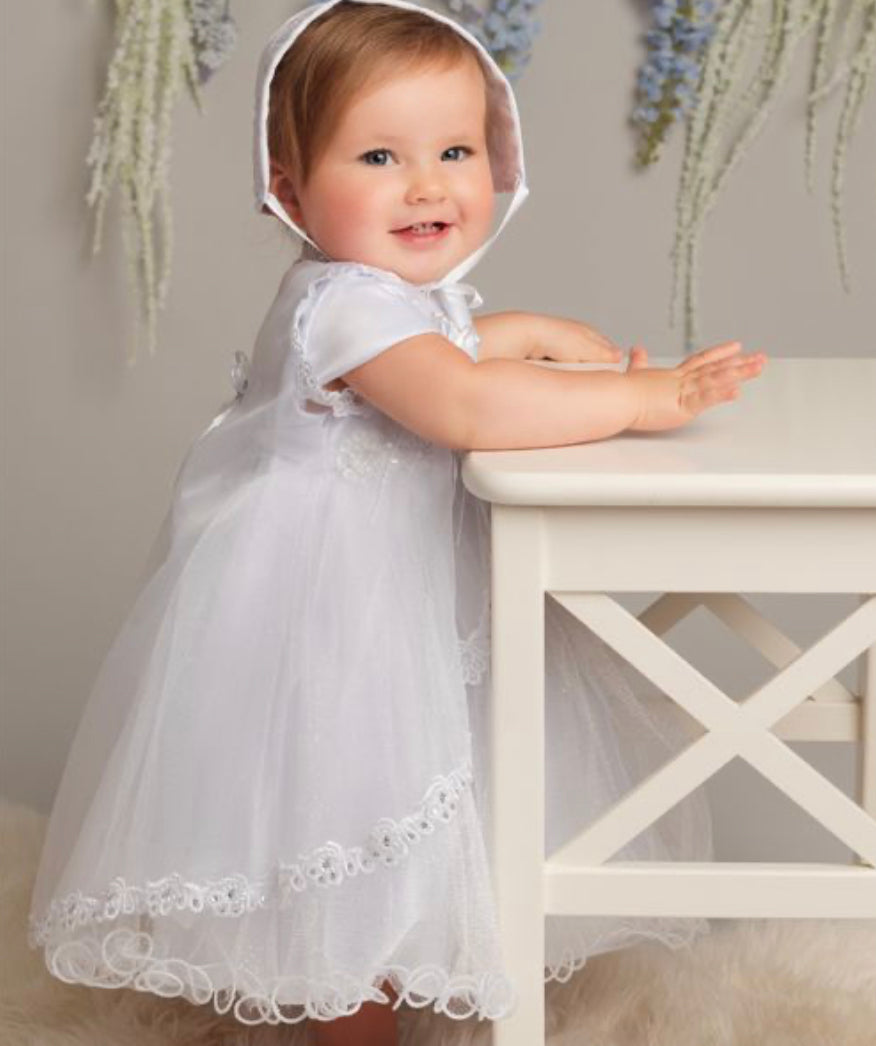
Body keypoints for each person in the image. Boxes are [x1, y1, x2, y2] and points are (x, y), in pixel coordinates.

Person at [27, 2, 767, 1044]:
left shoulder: (390, 298)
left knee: (436, 793)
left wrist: (538, 337)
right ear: (288, 187)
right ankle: (356, 1019)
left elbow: (456, 345)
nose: (427, 183)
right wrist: (644, 401)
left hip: (408, 601)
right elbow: (461, 401)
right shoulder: (342, 307)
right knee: (349, 809)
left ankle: (416, 976)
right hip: (334, 621)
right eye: (379, 154)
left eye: (455, 149)